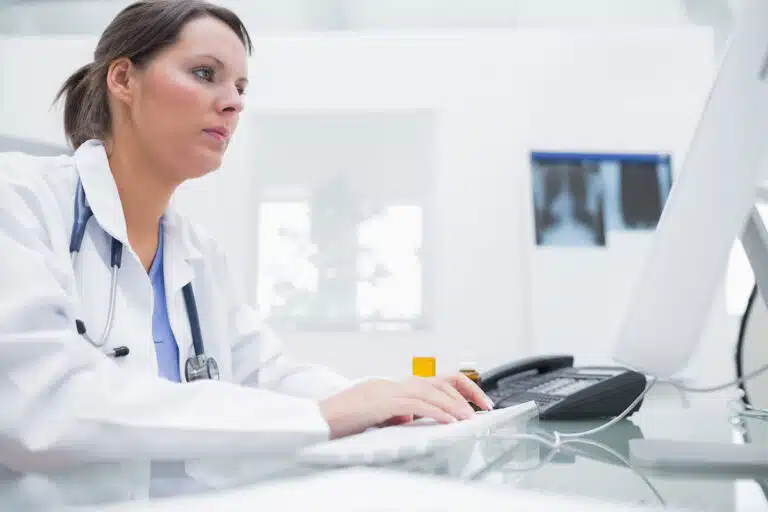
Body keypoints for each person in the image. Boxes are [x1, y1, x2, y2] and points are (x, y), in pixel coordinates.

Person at [0, 0, 492, 472]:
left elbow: (265, 375)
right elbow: (42, 406)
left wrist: (389, 397)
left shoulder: (196, 254)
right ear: (124, 79)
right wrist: (323, 417)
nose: (234, 102)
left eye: (240, 87)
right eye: (204, 74)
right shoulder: (20, 200)